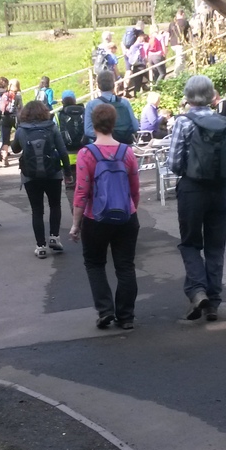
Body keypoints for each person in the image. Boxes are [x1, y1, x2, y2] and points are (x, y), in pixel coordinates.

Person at [168, 75, 226, 321]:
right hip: (221, 190)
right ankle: (213, 303)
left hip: (192, 190)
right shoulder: (222, 121)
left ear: (188, 96)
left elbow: (174, 163)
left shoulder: (183, 122)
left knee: (190, 243)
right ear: (211, 95)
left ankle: (198, 291)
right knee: (216, 247)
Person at [70, 103, 141, 330]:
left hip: (96, 218)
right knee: (125, 266)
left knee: (94, 263)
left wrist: (75, 224)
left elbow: (81, 191)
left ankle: (105, 310)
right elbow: (135, 188)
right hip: (126, 216)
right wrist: (132, 210)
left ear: (93, 125)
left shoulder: (86, 154)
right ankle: (126, 316)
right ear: (113, 123)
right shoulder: (127, 152)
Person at [13, 101, 73, 258]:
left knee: (37, 210)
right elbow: (62, 151)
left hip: (30, 175)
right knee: (55, 205)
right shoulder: (51, 127)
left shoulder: (21, 129)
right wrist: (67, 172)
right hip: (52, 173)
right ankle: (54, 237)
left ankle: (40, 246)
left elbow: (14, 148)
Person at [84, 70, 139, 145]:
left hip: (102, 148)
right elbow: (135, 127)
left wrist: (104, 135)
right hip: (124, 146)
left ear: (98, 86)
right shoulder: (124, 103)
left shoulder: (91, 105)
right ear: (113, 85)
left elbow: (88, 131)